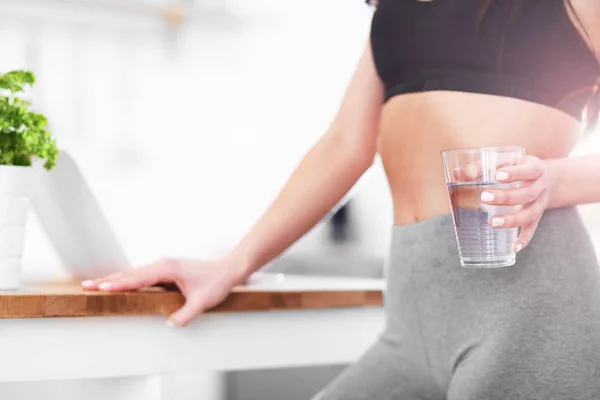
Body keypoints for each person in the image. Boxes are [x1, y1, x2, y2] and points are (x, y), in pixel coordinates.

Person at [83, 0, 600, 398]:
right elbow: (343, 148)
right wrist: (230, 266)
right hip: (410, 319)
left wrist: (554, 181)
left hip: (527, 311)